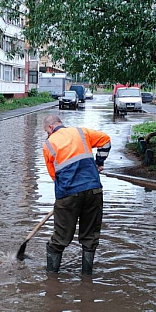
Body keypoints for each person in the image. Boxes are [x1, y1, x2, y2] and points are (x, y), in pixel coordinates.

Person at [41, 114, 111, 275]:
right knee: (90, 237)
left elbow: (54, 176)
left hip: (68, 194)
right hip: (93, 191)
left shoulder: (49, 144)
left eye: (47, 131)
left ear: (50, 128)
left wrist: (64, 201)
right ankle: (87, 277)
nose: (48, 134)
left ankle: (51, 279)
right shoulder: (82, 132)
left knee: (59, 238)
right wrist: (99, 163)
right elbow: (106, 140)